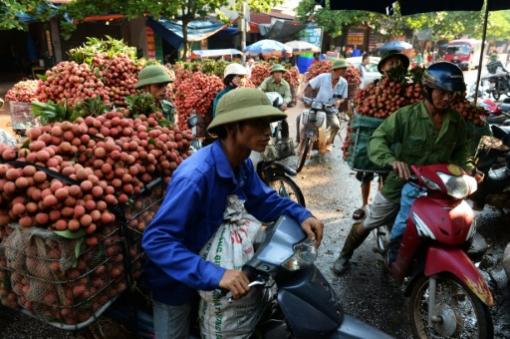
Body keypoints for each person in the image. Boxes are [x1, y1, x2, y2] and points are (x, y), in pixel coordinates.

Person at [142, 88, 324, 339]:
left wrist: (302, 214)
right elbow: (156, 240)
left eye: (268, 124)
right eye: (258, 124)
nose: (267, 132)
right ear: (231, 127)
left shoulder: (242, 163)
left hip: (211, 260)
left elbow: (263, 200)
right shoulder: (196, 177)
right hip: (176, 280)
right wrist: (215, 274)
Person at [332, 62, 473, 276]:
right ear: (428, 90)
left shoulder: (456, 122)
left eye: (451, 94)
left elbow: (463, 150)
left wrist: (468, 169)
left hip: (436, 188)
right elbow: (378, 139)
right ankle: (344, 254)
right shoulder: (406, 116)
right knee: (371, 220)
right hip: (400, 182)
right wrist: (391, 160)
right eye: (442, 92)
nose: (446, 98)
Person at [352, 52, 410, 221]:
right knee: (366, 175)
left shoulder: (407, 89)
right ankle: (364, 204)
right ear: (383, 68)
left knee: (387, 175)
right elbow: (361, 105)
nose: (394, 66)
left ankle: (379, 206)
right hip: (371, 137)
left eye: (397, 63)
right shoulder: (373, 85)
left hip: (395, 139)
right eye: (390, 63)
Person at [297, 59, 348, 148]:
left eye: (345, 69)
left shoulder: (344, 83)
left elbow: (344, 97)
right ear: (335, 69)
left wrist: (339, 101)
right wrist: (301, 93)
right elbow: (310, 85)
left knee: (335, 125)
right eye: (342, 69)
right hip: (317, 106)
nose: (344, 71)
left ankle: (329, 142)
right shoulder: (323, 77)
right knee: (299, 118)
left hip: (331, 109)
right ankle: (298, 140)